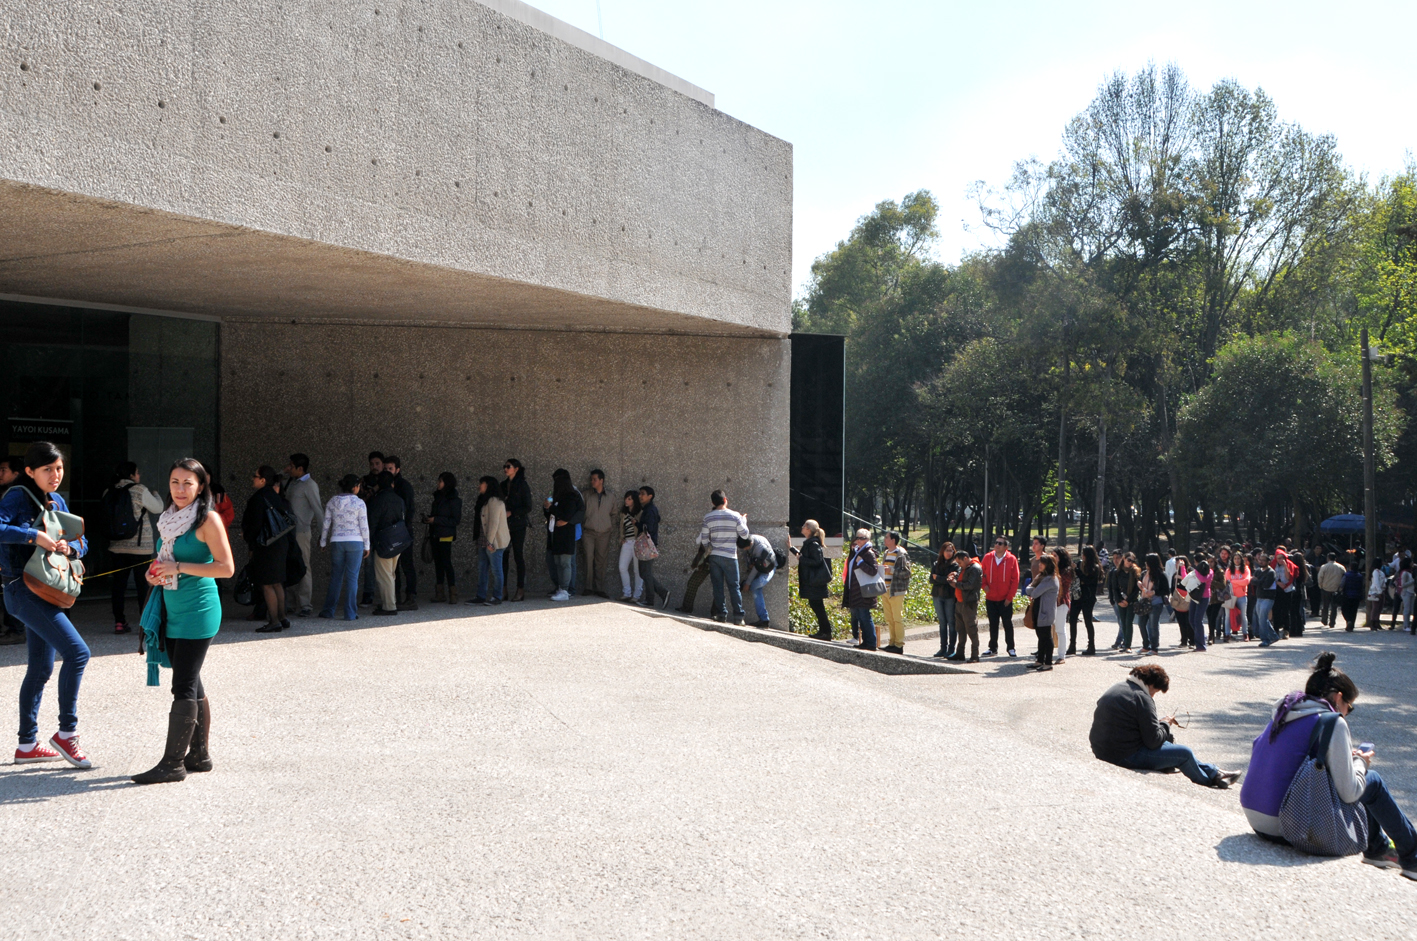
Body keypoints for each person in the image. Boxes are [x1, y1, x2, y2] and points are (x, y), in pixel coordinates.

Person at [1239, 652, 1417, 877]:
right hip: (1286, 825)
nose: (1347, 713)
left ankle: (1379, 849)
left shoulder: (1285, 711)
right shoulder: (1333, 722)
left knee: (1353, 774)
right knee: (1372, 780)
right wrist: (1360, 761)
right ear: (1339, 697)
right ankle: (1412, 857)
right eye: (1349, 707)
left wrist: (1345, 757)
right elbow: (1350, 791)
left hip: (1257, 818)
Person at [132, 458, 236, 784]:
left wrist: (179, 569)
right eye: (174, 482)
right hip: (172, 610)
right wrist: (156, 573)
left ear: (201, 486)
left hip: (199, 611)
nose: (179, 489)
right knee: (192, 681)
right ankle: (200, 755)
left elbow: (226, 567)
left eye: (187, 483)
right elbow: (165, 560)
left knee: (183, 685)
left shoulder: (208, 520)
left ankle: (173, 763)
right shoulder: (168, 519)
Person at [1, 441, 92, 768]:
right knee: (78, 652)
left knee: (40, 667)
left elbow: (81, 539)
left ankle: (27, 744)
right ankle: (67, 734)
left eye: (59, 468)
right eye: (47, 470)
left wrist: (71, 547)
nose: (55, 475)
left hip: (45, 588)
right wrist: (32, 536)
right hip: (21, 589)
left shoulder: (56, 499)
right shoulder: (17, 495)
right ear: (29, 471)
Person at [1090, 664, 1240, 789]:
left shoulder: (1119, 687)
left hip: (1102, 749)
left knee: (1169, 745)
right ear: (1151, 685)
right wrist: (1165, 724)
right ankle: (1210, 782)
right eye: (1155, 691)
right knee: (1184, 753)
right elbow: (1153, 741)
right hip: (1123, 755)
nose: (1154, 695)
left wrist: (1160, 725)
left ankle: (1215, 772)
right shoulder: (1142, 698)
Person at [102, 461, 165, 634]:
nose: (139, 476)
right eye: (137, 473)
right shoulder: (139, 489)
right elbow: (158, 508)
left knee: (118, 586)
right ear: (131, 475)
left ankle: (119, 622)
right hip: (140, 547)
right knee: (143, 585)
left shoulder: (109, 491)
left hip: (116, 547)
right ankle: (144, 623)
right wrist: (156, 494)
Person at [242, 465, 291, 633]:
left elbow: (254, 525)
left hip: (265, 545)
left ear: (263, 480)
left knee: (267, 584)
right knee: (277, 583)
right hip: (280, 543)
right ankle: (282, 617)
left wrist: (250, 541)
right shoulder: (276, 497)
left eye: (254, 476)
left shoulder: (258, 498)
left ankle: (274, 621)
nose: (252, 479)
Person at [319, 474, 369, 621]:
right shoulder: (360, 503)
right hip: (356, 542)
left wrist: (323, 542)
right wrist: (367, 545)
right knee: (352, 577)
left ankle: (328, 611)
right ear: (355, 487)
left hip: (337, 541)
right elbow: (364, 526)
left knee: (336, 577)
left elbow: (326, 523)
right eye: (359, 486)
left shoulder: (332, 502)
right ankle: (350, 613)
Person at [695, 490, 749, 624]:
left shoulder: (708, 517)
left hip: (715, 556)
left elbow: (705, 540)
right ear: (725, 500)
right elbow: (745, 535)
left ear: (713, 502)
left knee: (717, 587)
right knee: (734, 587)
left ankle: (721, 614)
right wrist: (744, 520)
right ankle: (738, 617)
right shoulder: (735, 516)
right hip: (730, 556)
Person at [282, 453, 323, 617]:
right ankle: (290, 603)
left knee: (303, 566)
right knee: (289, 566)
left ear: (300, 468)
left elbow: (319, 510)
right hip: (288, 532)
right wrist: (284, 471)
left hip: (302, 532)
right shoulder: (292, 483)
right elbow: (275, 479)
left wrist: (323, 535)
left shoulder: (309, 485)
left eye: (292, 466)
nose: (289, 468)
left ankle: (305, 604)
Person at [367, 471, 406, 616]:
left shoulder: (378, 500)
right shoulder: (399, 499)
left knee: (384, 575)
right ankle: (390, 602)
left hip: (383, 541)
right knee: (391, 574)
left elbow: (373, 522)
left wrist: (368, 542)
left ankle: (389, 607)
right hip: (398, 539)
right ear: (392, 484)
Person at [789, 520, 833, 640]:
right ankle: (823, 631)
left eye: (804, 525)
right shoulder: (810, 543)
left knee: (818, 607)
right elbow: (805, 557)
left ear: (808, 528)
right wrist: (792, 549)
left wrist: (801, 558)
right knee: (816, 606)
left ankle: (826, 632)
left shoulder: (813, 544)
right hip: (813, 581)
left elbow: (816, 561)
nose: (801, 527)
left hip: (815, 582)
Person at [384, 455, 418, 610]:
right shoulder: (387, 485)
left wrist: (403, 527)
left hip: (402, 530)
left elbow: (410, 508)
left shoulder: (403, 486)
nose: (388, 471)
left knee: (406, 564)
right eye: (386, 469)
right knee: (394, 567)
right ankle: (395, 597)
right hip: (392, 531)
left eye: (390, 469)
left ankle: (410, 597)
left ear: (397, 469)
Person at [545, 470, 584, 602]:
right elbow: (552, 515)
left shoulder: (572, 495)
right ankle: (560, 588)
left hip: (568, 534)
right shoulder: (557, 496)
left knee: (566, 563)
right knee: (558, 562)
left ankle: (566, 590)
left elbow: (567, 514)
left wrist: (552, 508)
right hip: (556, 534)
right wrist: (547, 508)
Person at [471, 476, 509, 606]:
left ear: (488, 485)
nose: (479, 486)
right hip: (484, 539)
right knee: (482, 569)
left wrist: (490, 542)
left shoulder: (494, 501)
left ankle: (497, 596)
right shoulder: (485, 500)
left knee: (496, 569)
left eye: (481, 483)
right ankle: (481, 596)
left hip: (493, 542)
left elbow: (494, 523)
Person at [426, 472, 462, 604]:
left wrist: (436, 519)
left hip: (446, 535)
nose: (438, 483)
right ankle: (440, 593)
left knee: (446, 562)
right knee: (438, 564)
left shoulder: (454, 500)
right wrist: (430, 519)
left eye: (440, 481)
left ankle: (453, 593)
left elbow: (455, 520)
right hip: (435, 533)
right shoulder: (437, 497)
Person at [500, 458, 532, 602]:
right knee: (503, 557)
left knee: (518, 556)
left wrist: (512, 512)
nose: (506, 469)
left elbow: (528, 507)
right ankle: (503, 589)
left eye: (509, 466)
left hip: (518, 525)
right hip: (504, 525)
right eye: (504, 467)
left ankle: (520, 589)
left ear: (516, 469)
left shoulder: (522, 485)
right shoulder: (502, 485)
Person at [842, 529, 879, 651]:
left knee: (864, 616)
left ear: (867, 539)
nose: (858, 540)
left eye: (862, 538)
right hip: (856, 591)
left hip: (865, 591)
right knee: (859, 616)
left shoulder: (868, 553)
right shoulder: (858, 551)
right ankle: (865, 641)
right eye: (857, 537)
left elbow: (873, 570)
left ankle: (871, 643)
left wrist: (861, 562)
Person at [982, 536, 1018, 657]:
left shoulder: (1012, 559)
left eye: (1000, 543)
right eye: (996, 542)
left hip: (1005, 599)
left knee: (1007, 624)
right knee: (993, 624)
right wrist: (984, 585)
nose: (997, 545)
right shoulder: (988, 557)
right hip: (991, 598)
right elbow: (981, 574)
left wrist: (1010, 597)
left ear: (1006, 547)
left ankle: (1011, 648)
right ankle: (992, 648)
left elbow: (1015, 580)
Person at [580, 470, 614, 598]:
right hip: (588, 532)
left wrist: (608, 526)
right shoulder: (586, 495)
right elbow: (580, 511)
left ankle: (600, 588)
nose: (592, 481)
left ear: (601, 480)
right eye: (591, 479)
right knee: (588, 559)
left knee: (601, 561)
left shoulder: (611, 496)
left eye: (594, 479)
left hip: (604, 533)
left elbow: (614, 513)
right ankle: (588, 587)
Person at [877, 531, 910, 653]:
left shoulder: (901, 554)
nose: (884, 539)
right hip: (885, 589)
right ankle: (892, 643)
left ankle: (899, 645)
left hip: (896, 590)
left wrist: (891, 570)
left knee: (897, 618)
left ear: (893, 540)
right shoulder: (886, 553)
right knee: (889, 618)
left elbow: (907, 573)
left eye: (887, 537)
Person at [358, 451, 384, 606]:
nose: (374, 467)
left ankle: (388, 594)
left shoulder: (388, 480)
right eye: (372, 464)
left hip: (384, 528)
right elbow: (359, 500)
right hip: (367, 526)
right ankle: (368, 594)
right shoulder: (364, 481)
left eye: (377, 464)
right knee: (368, 563)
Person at [740, 530, 779, 630]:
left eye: (746, 548)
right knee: (755, 589)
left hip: (768, 567)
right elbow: (747, 556)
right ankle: (764, 619)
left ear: (751, 544)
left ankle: (764, 619)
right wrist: (749, 564)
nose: (745, 549)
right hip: (760, 565)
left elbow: (757, 568)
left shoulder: (760, 547)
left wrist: (747, 583)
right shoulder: (747, 540)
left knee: (755, 585)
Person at [949, 547, 982, 663]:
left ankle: (975, 655)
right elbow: (959, 578)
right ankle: (960, 653)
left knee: (971, 629)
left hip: (969, 603)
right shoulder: (963, 568)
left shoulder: (975, 568)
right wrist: (952, 577)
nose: (959, 565)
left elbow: (970, 585)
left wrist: (956, 584)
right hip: (960, 602)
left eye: (960, 562)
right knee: (961, 629)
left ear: (966, 558)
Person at [635, 485, 666, 609]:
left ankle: (653, 597)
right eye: (640, 493)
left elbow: (649, 528)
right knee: (644, 573)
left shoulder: (650, 510)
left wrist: (639, 524)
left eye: (643, 493)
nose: (640, 496)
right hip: (648, 545)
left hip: (647, 545)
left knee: (646, 573)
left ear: (650, 496)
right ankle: (659, 594)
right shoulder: (648, 509)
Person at [1026, 555, 1059, 671]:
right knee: (1040, 637)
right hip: (1039, 611)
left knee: (1046, 637)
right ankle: (1039, 660)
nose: (1039, 565)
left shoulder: (1050, 579)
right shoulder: (1041, 576)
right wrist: (1032, 590)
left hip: (1045, 612)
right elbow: (1028, 589)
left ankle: (1048, 663)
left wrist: (1033, 590)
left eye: (1042, 563)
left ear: (1048, 565)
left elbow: (1034, 593)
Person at [1068, 544, 1101, 656]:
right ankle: (1072, 645)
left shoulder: (1095, 567)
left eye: (1084, 554)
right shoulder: (1079, 564)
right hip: (1077, 596)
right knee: (1072, 620)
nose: (1082, 556)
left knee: (1088, 621)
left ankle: (1091, 646)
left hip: (1088, 598)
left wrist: (1077, 570)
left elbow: (1087, 580)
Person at [929, 542, 959, 659]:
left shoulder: (955, 565)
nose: (948, 553)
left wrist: (939, 578)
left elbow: (950, 580)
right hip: (937, 595)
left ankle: (951, 648)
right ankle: (943, 648)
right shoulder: (936, 563)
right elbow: (932, 579)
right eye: (946, 550)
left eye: (951, 550)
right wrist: (943, 579)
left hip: (950, 596)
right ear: (942, 551)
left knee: (951, 622)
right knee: (942, 623)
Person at [1137, 552, 1168, 655]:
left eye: (1148, 562)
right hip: (1144, 601)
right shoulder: (1144, 573)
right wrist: (1140, 585)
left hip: (1155, 602)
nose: (1146, 564)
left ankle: (1154, 647)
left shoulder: (1161, 575)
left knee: (1153, 625)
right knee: (1141, 623)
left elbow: (1166, 590)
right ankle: (1146, 645)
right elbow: (1142, 585)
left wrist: (1154, 592)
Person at [618, 491, 644, 603]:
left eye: (629, 499)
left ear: (634, 500)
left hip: (637, 542)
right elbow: (621, 527)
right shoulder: (623, 513)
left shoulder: (640, 513)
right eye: (626, 498)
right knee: (622, 567)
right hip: (627, 542)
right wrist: (621, 538)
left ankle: (636, 595)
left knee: (637, 570)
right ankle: (627, 593)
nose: (626, 501)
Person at [1052, 547, 1073, 663]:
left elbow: (1062, 584)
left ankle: (1061, 656)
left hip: (1062, 602)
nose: (1053, 558)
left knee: (1060, 629)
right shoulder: (1051, 569)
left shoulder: (1067, 570)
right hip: (1051, 603)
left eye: (1055, 556)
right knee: (1049, 629)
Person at [1317, 552, 1346, 629]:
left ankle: (1324, 619)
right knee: (1334, 607)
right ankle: (1332, 622)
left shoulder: (1324, 567)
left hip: (1326, 588)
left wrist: (1321, 585)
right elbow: (1344, 578)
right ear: (1335, 558)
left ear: (1328, 558)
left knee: (1325, 605)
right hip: (1336, 589)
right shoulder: (1341, 567)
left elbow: (1320, 577)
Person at [1225, 554, 1251, 640]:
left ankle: (1245, 633)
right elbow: (1228, 582)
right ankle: (1227, 634)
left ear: (1241, 559)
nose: (1236, 560)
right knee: (1227, 616)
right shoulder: (1228, 570)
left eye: (1238, 558)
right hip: (1230, 596)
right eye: (1235, 558)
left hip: (1242, 595)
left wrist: (1234, 582)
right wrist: (1239, 582)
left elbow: (1246, 581)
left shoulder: (1246, 569)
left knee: (1243, 615)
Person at [1340, 561, 1365, 632]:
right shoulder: (1360, 576)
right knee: (1354, 611)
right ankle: (1351, 625)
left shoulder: (1346, 575)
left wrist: (1340, 590)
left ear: (1350, 567)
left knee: (1344, 610)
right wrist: (1361, 597)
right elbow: (1361, 587)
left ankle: (1348, 620)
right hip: (1357, 596)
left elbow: (1342, 584)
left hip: (1347, 595)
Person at [1393, 558, 1414, 633]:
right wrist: (1413, 581)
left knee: (1411, 609)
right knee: (1407, 609)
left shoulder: (1410, 571)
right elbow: (1403, 584)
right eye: (1411, 562)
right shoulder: (1404, 572)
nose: (1412, 563)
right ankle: (1406, 625)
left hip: (1411, 592)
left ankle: (1409, 624)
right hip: (1406, 592)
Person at [1366, 562, 1388, 630]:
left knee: (1380, 607)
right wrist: (1379, 591)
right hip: (1376, 591)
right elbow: (1376, 582)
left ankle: (1377, 621)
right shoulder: (1375, 572)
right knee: (1375, 607)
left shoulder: (1380, 572)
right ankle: (1373, 622)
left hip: (1382, 590)